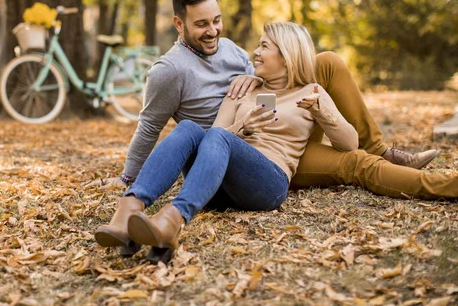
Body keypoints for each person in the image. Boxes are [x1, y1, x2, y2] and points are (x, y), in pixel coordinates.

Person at [93, 0, 458, 204]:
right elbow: (148, 127)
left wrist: (260, 82)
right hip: (250, 149)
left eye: (216, 21)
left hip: (280, 115)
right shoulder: (169, 72)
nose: (213, 31)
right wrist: (128, 178)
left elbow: (262, 69)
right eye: (201, 25)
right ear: (179, 24)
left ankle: (381, 149)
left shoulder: (230, 50)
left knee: (329, 61)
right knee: (353, 164)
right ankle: (452, 184)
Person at [95, 22, 360, 263]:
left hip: (268, 184)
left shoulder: (312, 92)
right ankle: (129, 208)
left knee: (218, 136)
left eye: (264, 46)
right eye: (258, 44)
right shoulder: (242, 90)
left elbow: (350, 144)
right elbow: (216, 137)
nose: (255, 52)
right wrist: (244, 129)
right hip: (216, 186)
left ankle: (173, 218)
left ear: (288, 55)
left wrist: (320, 113)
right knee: (189, 128)